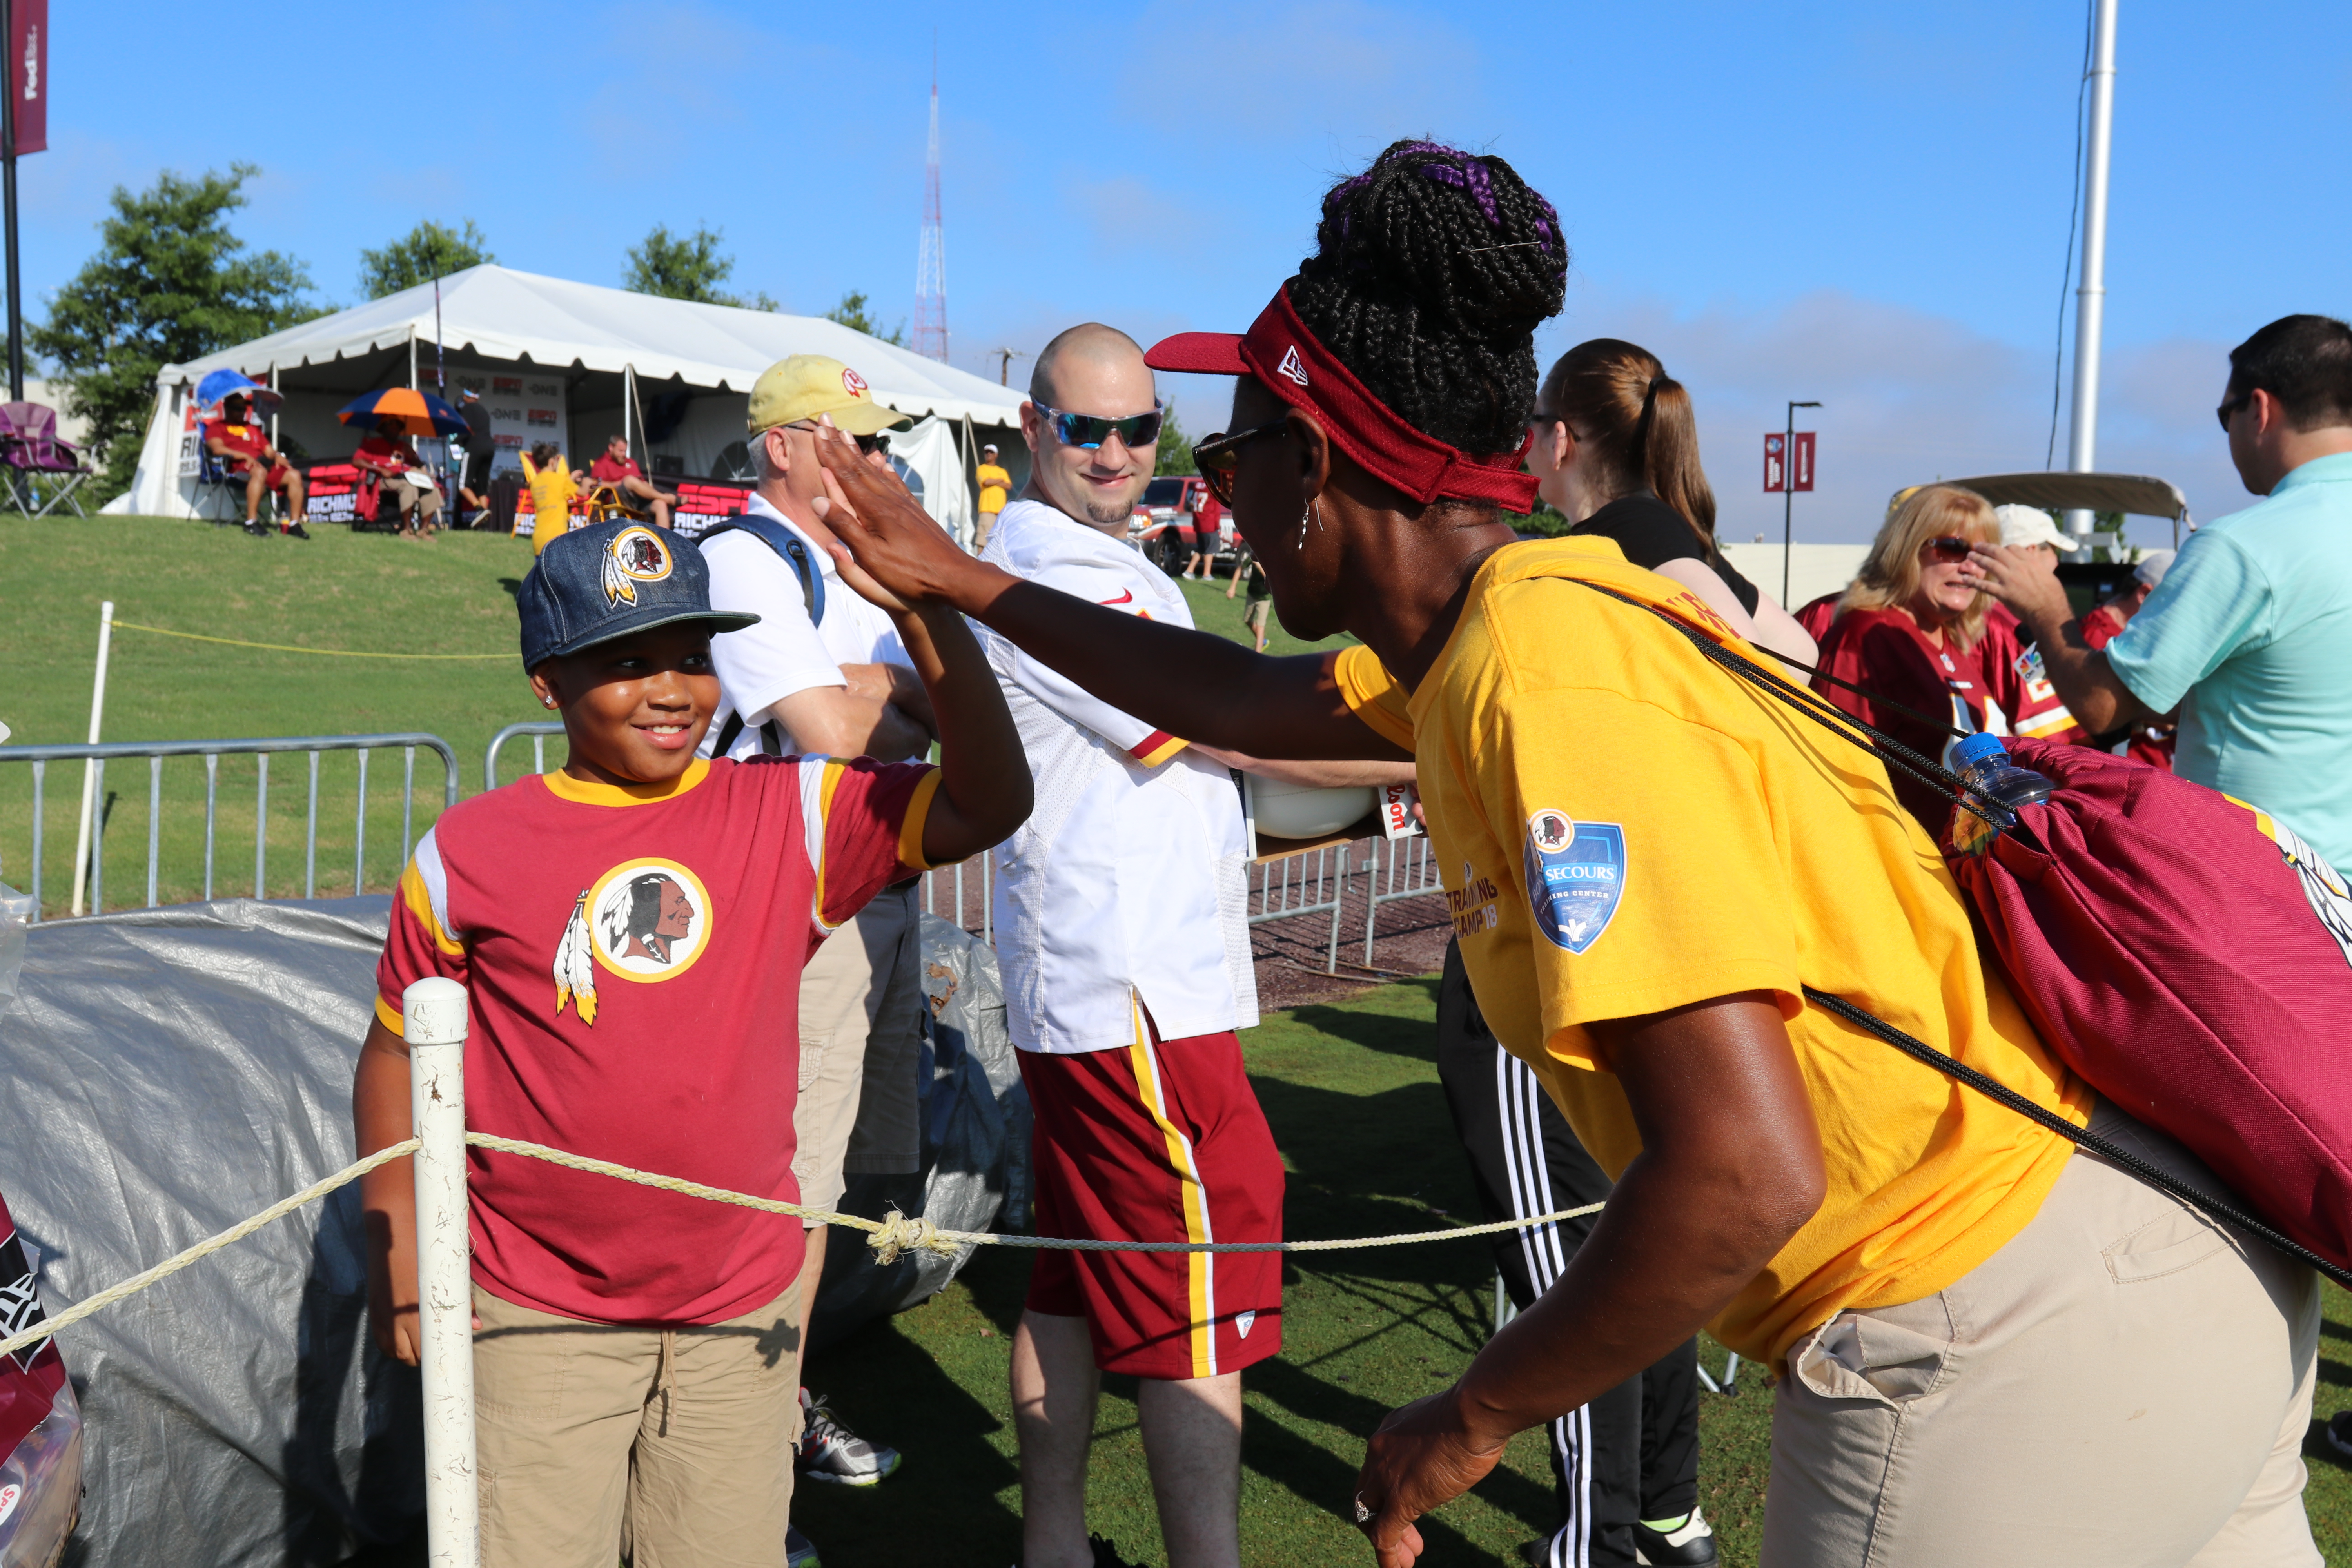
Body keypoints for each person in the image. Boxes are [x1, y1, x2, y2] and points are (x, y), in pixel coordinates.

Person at [806, 138, 2323, 1568]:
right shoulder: (1533, 609)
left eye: (1236, 443)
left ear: (1315, 461)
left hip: (1987, 1324)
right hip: (2161, 1255)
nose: (1219, 484)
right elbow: (1241, 692)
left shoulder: (1540, 674)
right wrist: (959, 576)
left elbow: (1741, 1170)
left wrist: (1465, 1417)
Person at [353, 518, 1029, 1568]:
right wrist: (400, 1250)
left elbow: (994, 799)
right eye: (627, 663)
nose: (672, 689)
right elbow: (397, 1053)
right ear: (547, 679)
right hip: (538, 1317)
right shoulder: (467, 854)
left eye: (690, 657)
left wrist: (924, 617)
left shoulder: (793, 813)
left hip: (739, 1319)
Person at [971, 321, 1281, 1568]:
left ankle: (1054, 1549)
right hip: (1133, 985)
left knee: (1070, 1275)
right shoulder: (1055, 568)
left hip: (1106, 978)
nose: (1111, 453)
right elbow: (1228, 725)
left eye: (1135, 428)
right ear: (1032, 429)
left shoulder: (1099, 555)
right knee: (1196, 1298)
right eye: (1083, 427)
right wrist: (1441, 730)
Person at [691, 354, 928, 1563]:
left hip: (869, 897)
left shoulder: (855, 565)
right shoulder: (746, 556)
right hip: (790, 913)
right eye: (848, 439)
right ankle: (740, 1480)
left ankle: (771, 1416)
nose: (870, 462)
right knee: (772, 1199)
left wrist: (883, 684)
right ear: (781, 445)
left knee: (818, 1189)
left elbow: (935, 700)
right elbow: (835, 729)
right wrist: (898, 691)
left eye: (876, 442)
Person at [1974, 312, 2352, 868]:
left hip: (2269, 889)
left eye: (2225, 416)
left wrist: (2047, 602)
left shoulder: (2243, 546)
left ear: (2259, 409)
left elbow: (2104, 706)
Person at [1810, 485, 2076, 836]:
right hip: (1909, 868)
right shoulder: (1865, 634)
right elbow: (1831, 776)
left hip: (1965, 865)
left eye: (1983, 553)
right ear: (1907, 549)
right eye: (1954, 547)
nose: (1970, 566)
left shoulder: (1955, 635)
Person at [1529, 339, 1814, 666]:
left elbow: (1744, 647)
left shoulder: (1629, 531)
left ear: (1559, 440)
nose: (1527, 435)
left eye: (1533, 418)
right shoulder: (1655, 524)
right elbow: (1797, 648)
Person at [204, 392, 310, 539]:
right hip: (238, 467)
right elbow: (217, 449)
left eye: (244, 409)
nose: (242, 412)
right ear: (227, 409)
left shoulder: (252, 428)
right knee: (259, 471)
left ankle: (294, 524)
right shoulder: (217, 427)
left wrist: (277, 456)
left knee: (294, 475)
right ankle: (251, 522)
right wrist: (245, 456)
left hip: (262, 465)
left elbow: (268, 451)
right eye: (237, 409)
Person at [352, 416, 444, 540]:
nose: (394, 429)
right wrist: (380, 469)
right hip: (383, 481)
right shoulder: (373, 444)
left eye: (397, 427)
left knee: (432, 489)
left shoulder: (404, 446)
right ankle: (406, 530)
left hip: (408, 478)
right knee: (409, 487)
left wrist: (412, 455)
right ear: (383, 429)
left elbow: (419, 466)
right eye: (390, 426)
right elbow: (357, 461)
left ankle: (424, 530)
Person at [588, 431, 677, 528]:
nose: (623, 454)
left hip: (638, 501)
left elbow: (642, 482)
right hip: (618, 500)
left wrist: (649, 489)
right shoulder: (602, 463)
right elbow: (596, 484)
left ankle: (662, 541)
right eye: (620, 451)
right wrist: (619, 483)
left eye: (625, 451)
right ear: (611, 448)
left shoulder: (631, 463)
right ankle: (665, 497)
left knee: (660, 504)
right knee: (629, 480)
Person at [523, 443, 579, 555]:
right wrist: (587, 483)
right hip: (557, 539)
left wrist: (569, 480)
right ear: (552, 461)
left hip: (539, 539)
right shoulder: (560, 480)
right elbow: (582, 492)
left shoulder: (535, 483)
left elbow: (553, 491)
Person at [457, 387, 496, 523]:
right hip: (490, 448)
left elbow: (466, 430)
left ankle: (479, 509)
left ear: (466, 398)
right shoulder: (484, 411)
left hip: (475, 448)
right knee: (482, 488)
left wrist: (455, 442)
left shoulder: (467, 409)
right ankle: (485, 523)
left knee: (463, 485)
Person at [1224, 540, 1271, 651]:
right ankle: (1263, 642)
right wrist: (1233, 588)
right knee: (1247, 620)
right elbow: (1240, 568)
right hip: (1252, 593)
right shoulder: (1255, 556)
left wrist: (1259, 567)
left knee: (1260, 627)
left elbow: (1269, 579)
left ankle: (1257, 655)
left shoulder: (1271, 560)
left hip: (1265, 597)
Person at [975, 442, 1011, 551]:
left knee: (996, 542)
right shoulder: (982, 469)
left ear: (996, 455)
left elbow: (1009, 485)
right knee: (983, 540)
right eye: (987, 452)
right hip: (987, 509)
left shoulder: (1002, 471)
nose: (988, 454)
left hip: (1000, 511)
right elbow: (986, 482)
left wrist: (993, 481)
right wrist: (1000, 480)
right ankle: (979, 563)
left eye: (991, 452)